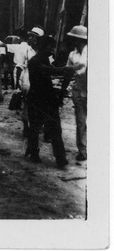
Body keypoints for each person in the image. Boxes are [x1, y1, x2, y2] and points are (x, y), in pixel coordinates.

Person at [26, 35, 72, 168]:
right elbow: (47, 70)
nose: (52, 49)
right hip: (38, 99)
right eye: (50, 47)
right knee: (38, 128)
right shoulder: (35, 61)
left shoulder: (44, 59)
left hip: (44, 99)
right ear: (43, 47)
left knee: (52, 129)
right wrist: (64, 69)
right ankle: (36, 153)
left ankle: (60, 158)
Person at [62, 25, 88, 162]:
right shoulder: (72, 54)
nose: (73, 42)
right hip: (78, 87)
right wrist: (62, 90)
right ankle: (82, 150)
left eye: (75, 39)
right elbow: (68, 73)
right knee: (80, 120)